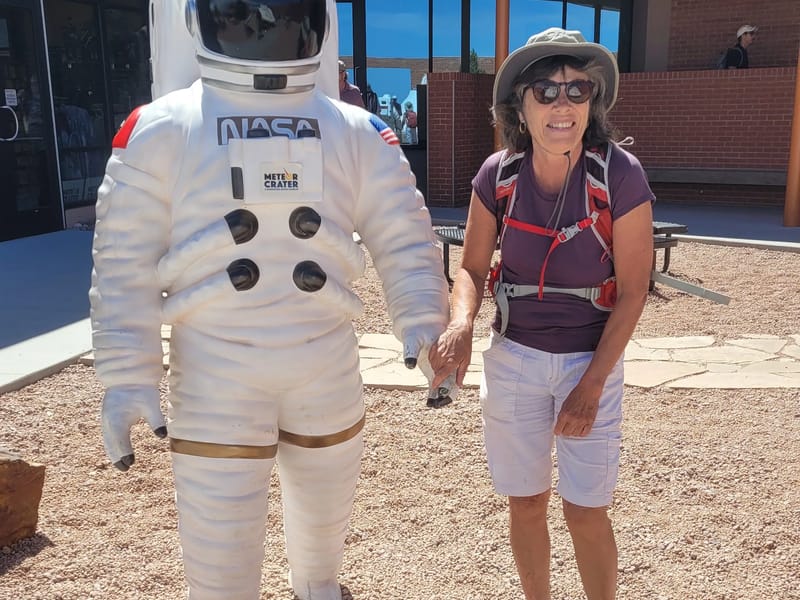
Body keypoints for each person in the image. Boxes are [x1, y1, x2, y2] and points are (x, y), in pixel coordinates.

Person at [90, 0, 453, 598]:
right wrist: (127, 375)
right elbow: (123, 262)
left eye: (282, 12)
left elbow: (401, 234)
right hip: (215, 366)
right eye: (241, 12)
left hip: (323, 361)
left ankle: (317, 586)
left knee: (324, 520)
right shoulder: (163, 129)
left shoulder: (353, 131)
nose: (262, 24)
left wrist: (420, 318)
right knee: (220, 543)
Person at [429, 27, 654, 599]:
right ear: (520, 106)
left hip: (591, 361)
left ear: (592, 103)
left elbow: (632, 290)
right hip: (517, 359)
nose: (563, 105)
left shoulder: (618, 174)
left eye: (578, 90)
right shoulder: (497, 176)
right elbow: (473, 269)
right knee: (526, 503)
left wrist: (592, 385)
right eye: (546, 92)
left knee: (586, 510)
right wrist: (460, 323)